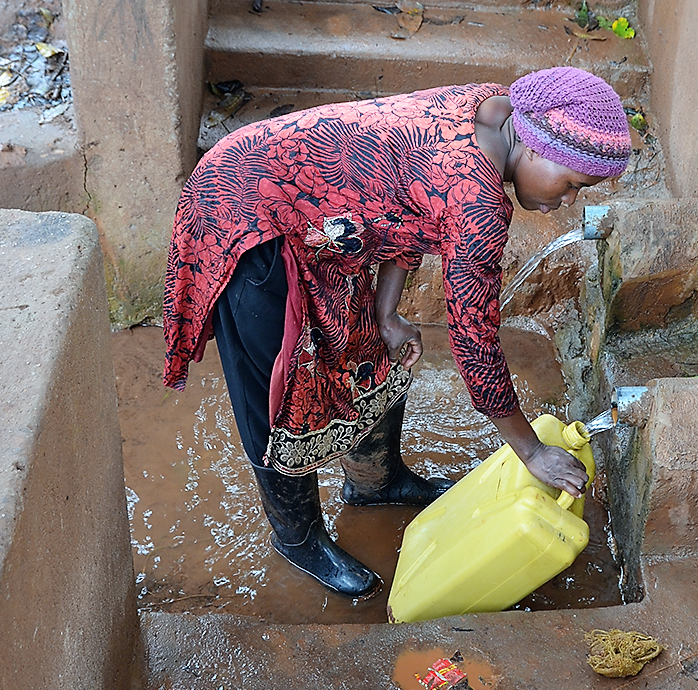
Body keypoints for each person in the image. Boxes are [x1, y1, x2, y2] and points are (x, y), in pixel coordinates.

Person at [163, 66, 632, 600]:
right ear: (531, 141)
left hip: (318, 215)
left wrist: (386, 313)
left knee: (374, 346)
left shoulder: (494, 107)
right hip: (245, 216)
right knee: (281, 387)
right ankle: (296, 537)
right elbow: (474, 341)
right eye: (572, 182)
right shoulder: (477, 199)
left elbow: (405, 205)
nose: (568, 200)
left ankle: (375, 482)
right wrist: (531, 452)